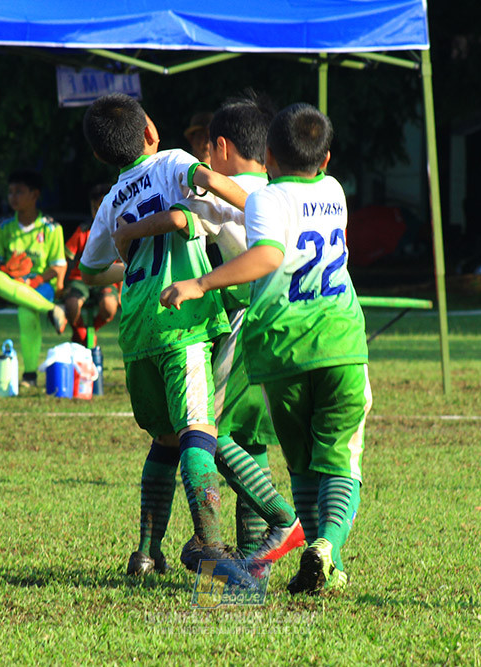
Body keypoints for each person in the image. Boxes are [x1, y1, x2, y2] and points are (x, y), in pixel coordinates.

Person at [78, 93, 299, 580]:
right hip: (185, 320)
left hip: (136, 326)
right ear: (151, 132)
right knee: (200, 430)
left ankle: (145, 553)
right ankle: (213, 540)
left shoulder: (112, 201)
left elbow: (89, 271)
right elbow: (210, 183)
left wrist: (130, 254)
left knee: (163, 439)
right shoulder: (175, 161)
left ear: (101, 156)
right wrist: (270, 216)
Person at [161, 103, 370, 595]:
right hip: (340, 340)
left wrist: (200, 282)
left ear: (269, 155)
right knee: (339, 460)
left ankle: (294, 543)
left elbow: (268, 254)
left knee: (290, 460)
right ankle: (324, 549)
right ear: (326, 159)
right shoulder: (335, 190)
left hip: (277, 347)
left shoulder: (265, 200)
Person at [0, 169, 69, 388]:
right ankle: (52, 310)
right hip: (10, 284)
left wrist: (33, 281)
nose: (13, 197)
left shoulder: (51, 228)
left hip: (41, 286)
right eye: (10, 192)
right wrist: (7, 269)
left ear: (34, 195)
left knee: (26, 311)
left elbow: (57, 267)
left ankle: (30, 374)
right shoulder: (2, 226)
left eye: (19, 192)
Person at [62, 183, 121, 345]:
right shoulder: (83, 230)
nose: (98, 213)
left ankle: (90, 330)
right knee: (72, 305)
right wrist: (62, 284)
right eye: (94, 209)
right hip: (80, 279)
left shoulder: (121, 231)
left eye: (102, 208)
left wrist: (121, 292)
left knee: (109, 306)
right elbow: (66, 257)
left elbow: (126, 265)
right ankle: (79, 330)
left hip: (107, 279)